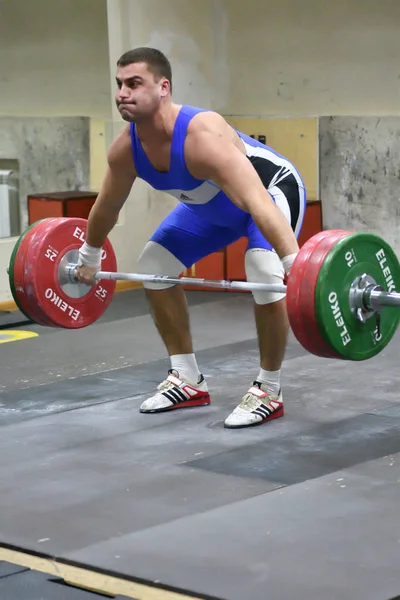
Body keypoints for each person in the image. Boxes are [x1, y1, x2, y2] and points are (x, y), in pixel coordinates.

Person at [76, 47, 306, 429]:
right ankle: (186, 379)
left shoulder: (202, 135)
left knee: (262, 271)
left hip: (271, 193)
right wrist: (88, 257)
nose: (122, 93)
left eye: (134, 83)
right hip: (213, 209)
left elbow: (257, 202)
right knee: (154, 265)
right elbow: (107, 207)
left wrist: (292, 265)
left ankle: (269, 388)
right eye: (119, 84)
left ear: (163, 87)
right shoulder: (126, 149)